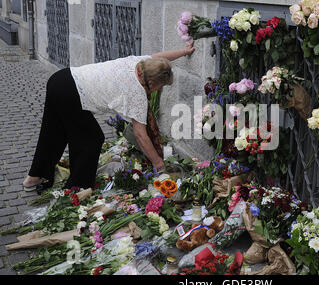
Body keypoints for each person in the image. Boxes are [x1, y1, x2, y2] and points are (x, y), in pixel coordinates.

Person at [22, 41, 196, 192]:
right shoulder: (136, 93)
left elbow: (160, 57)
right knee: (91, 139)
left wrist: (184, 52)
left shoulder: (140, 65)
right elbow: (140, 135)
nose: (160, 89)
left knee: (53, 132)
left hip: (61, 79)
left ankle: (34, 177)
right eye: (161, 86)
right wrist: (159, 164)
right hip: (70, 94)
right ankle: (77, 188)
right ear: (151, 83)